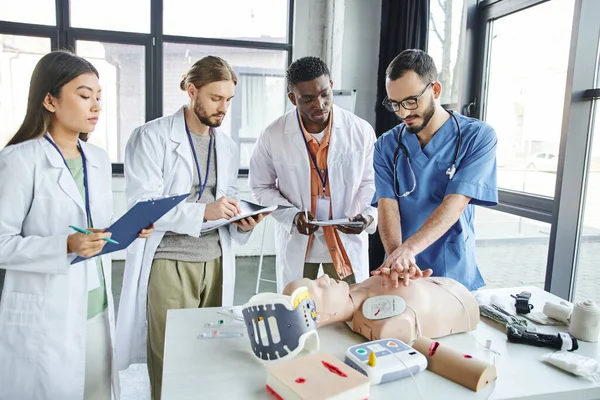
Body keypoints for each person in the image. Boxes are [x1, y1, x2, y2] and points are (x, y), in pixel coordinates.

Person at [0, 50, 153, 400]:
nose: (96, 106)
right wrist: (63, 245)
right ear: (50, 100)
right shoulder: (18, 160)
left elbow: (91, 230)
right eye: (85, 96)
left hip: (96, 308)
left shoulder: (96, 160)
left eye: (99, 97)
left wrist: (125, 232)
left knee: (97, 393)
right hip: (45, 315)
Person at [115, 56, 266, 400]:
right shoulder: (151, 137)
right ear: (191, 90)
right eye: (215, 98)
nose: (223, 108)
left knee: (209, 359)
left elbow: (225, 202)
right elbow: (142, 206)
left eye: (229, 99)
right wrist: (204, 212)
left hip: (215, 261)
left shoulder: (225, 147)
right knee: (170, 361)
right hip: (170, 261)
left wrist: (242, 221)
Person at [249, 56, 378, 293]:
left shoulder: (360, 130)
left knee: (350, 310)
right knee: (296, 312)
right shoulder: (273, 134)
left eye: (324, 94)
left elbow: (372, 182)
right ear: (292, 98)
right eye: (307, 99)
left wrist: (368, 216)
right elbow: (260, 186)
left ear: (331, 84)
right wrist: (292, 216)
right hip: (300, 242)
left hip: (343, 242)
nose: (319, 104)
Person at [372, 49, 498, 291]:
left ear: (435, 90)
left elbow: (455, 203)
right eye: (395, 104)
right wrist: (397, 259)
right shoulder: (386, 146)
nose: (403, 113)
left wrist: (408, 250)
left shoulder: (478, 137)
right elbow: (387, 206)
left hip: (452, 267)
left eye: (410, 101)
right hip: (403, 270)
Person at [283, 273, 479, 344]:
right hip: (463, 305)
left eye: (315, 279)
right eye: (318, 287)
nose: (323, 277)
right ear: (322, 316)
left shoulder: (355, 290)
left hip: (449, 286)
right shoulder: (384, 323)